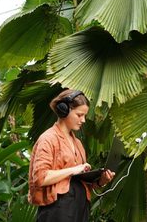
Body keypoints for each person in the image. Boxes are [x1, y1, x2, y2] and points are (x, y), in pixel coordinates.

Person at [28, 89, 115, 221]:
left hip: (80, 207)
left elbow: (81, 182)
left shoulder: (78, 143)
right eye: (79, 115)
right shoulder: (48, 138)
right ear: (64, 110)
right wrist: (74, 170)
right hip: (58, 209)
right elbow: (40, 178)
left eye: (84, 115)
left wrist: (101, 180)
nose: (83, 120)